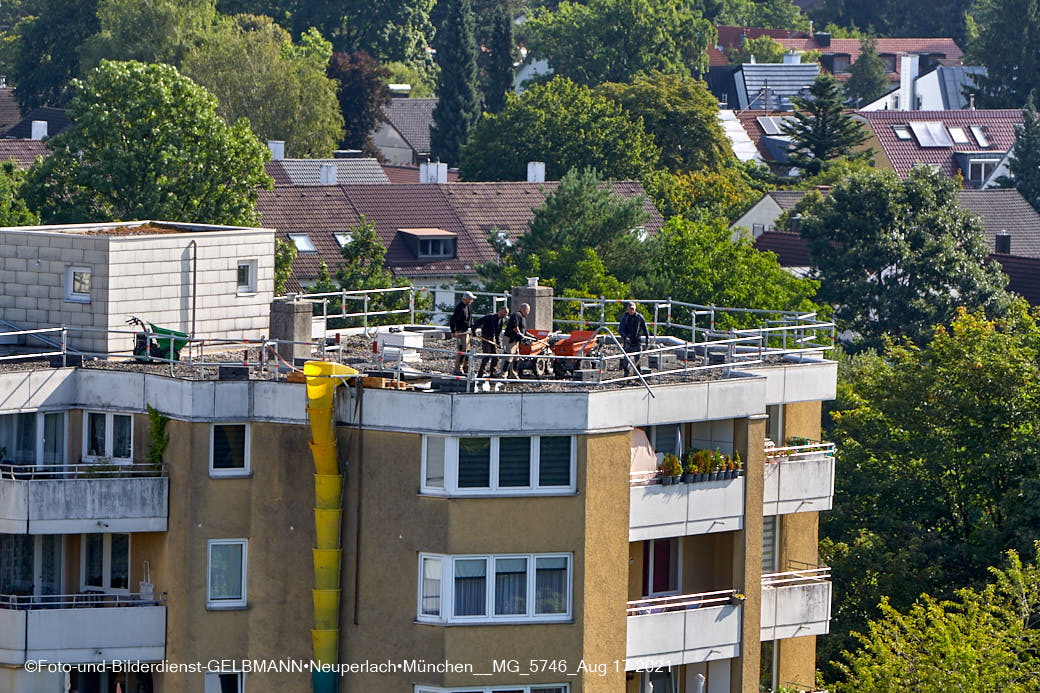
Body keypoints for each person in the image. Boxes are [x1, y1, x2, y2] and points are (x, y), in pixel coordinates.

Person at [498, 303, 534, 379]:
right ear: (523, 309)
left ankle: (513, 373)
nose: (528, 312)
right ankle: (503, 374)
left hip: (516, 341)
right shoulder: (516, 315)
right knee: (509, 356)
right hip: (510, 339)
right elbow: (515, 326)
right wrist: (519, 334)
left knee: (516, 357)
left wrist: (531, 336)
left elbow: (523, 330)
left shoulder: (523, 318)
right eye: (528, 311)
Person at [473, 306, 509, 378]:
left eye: (506, 314)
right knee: (487, 355)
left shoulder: (501, 320)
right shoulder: (490, 317)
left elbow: (498, 333)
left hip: (492, 339)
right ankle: (480, 373)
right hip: (485, 337)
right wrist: (473, 331)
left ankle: (492, 373)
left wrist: (498, 342)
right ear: (500, 311)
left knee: (495, 357)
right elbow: (478, 322)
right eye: (505, 313)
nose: (505, 315)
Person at [618, 301, 649, 376]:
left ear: (635, 309)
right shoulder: (625, 318)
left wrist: (647, 337)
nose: (631, 311)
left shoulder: (639, 317)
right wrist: (625, 337)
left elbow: (644, 327)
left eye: (633, 309)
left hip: (637, 340)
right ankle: (626, 373)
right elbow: (620, 329)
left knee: (638, 359)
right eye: (630, 309)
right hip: (627, 341)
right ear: (628, 309)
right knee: (626, 359)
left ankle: (638, 374)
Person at [449, 291, 476, 375]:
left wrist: (472, 328)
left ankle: (465, 367)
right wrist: (453, 331)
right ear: (465, 299)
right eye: (470, 299)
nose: (472, 300)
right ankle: (458, 369)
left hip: (466, 331)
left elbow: (470, 318)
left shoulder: (468, 306)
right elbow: (452, 320)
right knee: (461, 350)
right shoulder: (459, 308)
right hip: (460, 332)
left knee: (467, 350)